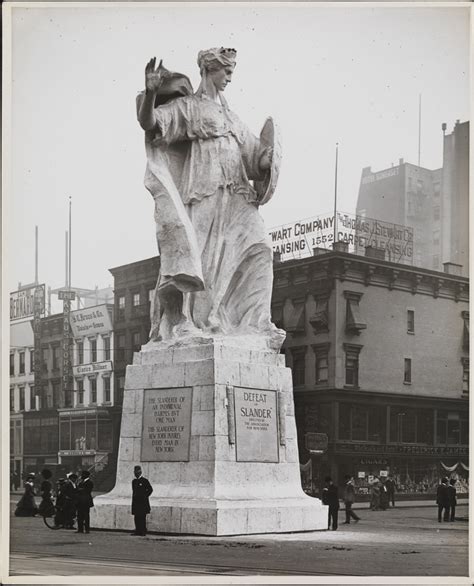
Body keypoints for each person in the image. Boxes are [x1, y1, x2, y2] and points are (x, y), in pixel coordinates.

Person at [137, 48, 283, 350]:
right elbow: (151, 124)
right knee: (198, 260)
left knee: (260, 248)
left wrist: (268, 159)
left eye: (231, 72)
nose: (229, 78)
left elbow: (256, 158)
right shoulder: (188, 108)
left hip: (238, 196)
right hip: (203, 192)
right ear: (208, 70)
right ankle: (186, 323)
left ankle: (255, 324)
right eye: (225, 71)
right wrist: (151, 94)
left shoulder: (232, 117)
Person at [131, 466, 153, 536]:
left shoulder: (144, 481)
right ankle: (137, 530)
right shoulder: (134, 481)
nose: (136, 474)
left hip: (143, 503)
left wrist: (144, 496)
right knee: (136, 517)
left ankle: (143, 531)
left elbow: (150, 490)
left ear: (140, 472)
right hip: (136, 503)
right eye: (135, 472)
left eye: (137, 472)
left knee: (142, 517)